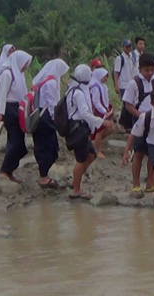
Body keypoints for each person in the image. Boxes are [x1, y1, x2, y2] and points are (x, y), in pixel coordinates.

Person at [66, 65, 114, 200]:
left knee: (91, 155)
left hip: (81, 127)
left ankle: (76, 180)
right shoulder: (78, 93)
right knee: (81, 160)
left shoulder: (73, 89)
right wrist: (102, 122)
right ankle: (76, 189)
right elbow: (85, 113)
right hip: (78, 128)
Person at [122, 53, 154, 198]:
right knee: (138, 153)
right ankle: (136, 185)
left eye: (152, 70)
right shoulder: (134, 83)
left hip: (153, 122)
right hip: (139, 121)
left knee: (152, 153)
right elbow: (128, 105)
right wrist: (140, 116)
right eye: (147, 70)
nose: (150, 73)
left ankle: (150, 183)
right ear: (140, 68)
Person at [31, 59, 70, 189]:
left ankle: (44, 175)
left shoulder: (44, 81)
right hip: (46, 119)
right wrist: (58, 122)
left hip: (41, 118)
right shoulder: (52, 83)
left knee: (44, 146)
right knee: (47, 147)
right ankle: (43, 178)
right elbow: (53, 105)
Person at [0, 50, 33, 183]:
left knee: (15, 141)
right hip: (9, 109)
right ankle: (4, 170)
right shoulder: (7, 74)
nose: (26, 66)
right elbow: (1, 95)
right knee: (17, 143)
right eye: (25, 63)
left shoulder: (18, 74)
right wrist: (0, 114)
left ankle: (9, 171)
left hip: (17, 109)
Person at [89, 68, 114, 158]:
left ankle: (93, 144)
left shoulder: (103, 86)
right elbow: (96, 101)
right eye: (104, 77)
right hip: (98, 112)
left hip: (103, 110)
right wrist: (103, 111)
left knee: (108, 129)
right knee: (99, 131)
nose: (106, 79)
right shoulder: (95, 86)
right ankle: (97, 150)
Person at [114, 39, 136, 132]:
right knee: (125, 104)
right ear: (123, 47)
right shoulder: (120, 59)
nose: (128, 48)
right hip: (123, 84)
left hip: (130, 83)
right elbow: (116, 72)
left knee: (130, 103)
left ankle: (127, 125)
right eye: (126, 46)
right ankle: (122, 123)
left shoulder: (132, 57)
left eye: (129, 46)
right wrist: (116, 84)